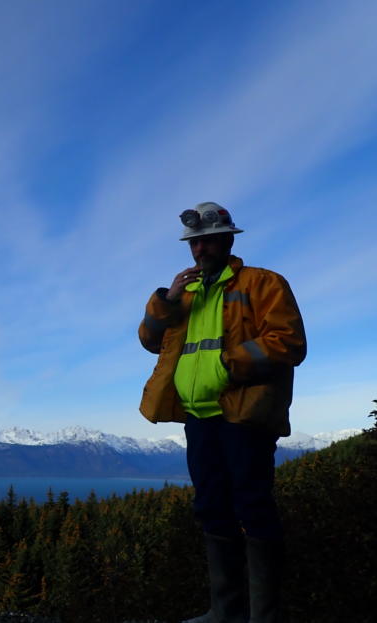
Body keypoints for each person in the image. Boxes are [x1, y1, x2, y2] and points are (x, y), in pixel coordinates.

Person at [138, 202, 307, 623]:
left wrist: (227, 364)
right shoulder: (186, 294)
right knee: (211, 505)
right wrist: (166, 300)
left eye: (208, 240)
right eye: (194, 243)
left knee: (252, 505)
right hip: (199, 417)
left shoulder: (262, 283)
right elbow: (147, 339)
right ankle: (224, 611)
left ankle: (262, 616)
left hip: (243, 415)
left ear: (229, 238)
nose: (199, 250)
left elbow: (288, 341)